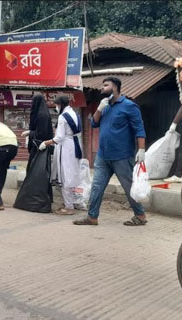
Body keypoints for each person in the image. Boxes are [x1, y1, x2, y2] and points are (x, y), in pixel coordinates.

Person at [74, 77, 147, 226]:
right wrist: (99, 109)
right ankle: (92, 217)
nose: (102, 88)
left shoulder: (129, 106)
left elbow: (139, 129)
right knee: (96, 186)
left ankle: (140, 215)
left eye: (106, 85)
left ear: (115, 88)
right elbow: (94, 123)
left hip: (122, 155)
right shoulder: (105, 105)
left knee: (128, 188)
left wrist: (141, 150)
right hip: (103, 155)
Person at [40, 95, 85, 215]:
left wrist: (46, 143)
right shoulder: (75, 114)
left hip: (65, 147)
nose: (55, 107)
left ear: (60, 105)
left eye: (56, 105)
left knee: (65, 176)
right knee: (72, 174)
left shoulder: (62, 117)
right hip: (75, 146)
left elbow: (59, 137)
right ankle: (70, 202)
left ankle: (69, 206)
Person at [22, 95, 53, 169]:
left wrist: (30, 132)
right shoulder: (41, 113)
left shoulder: (42, 115)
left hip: (40, 146)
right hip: (38, 146)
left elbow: (41, 133)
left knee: (36, 169)